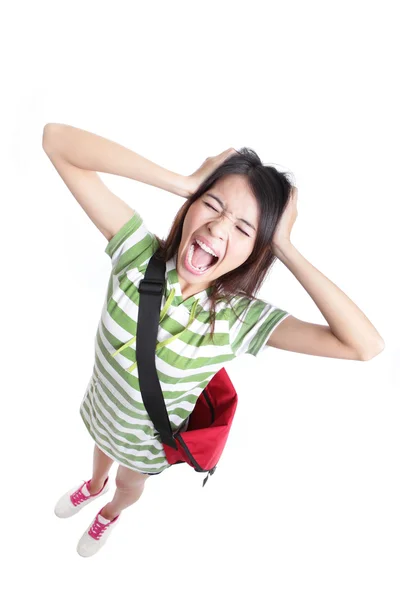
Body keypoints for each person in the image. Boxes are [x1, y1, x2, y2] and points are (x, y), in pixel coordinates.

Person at [43, 124, 384, 558]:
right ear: (189, 208)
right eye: (212, 205)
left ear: (257, 251)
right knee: (100, 450)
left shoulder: (240, 320)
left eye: (244, 229)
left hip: (144, 446)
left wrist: (284, 244)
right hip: (102, 410)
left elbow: (364, 345)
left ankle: (110, 510)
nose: (219, 228)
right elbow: (55, 140)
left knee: (129, 485)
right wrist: (184, 182)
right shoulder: (136, 254)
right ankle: (93, 486)